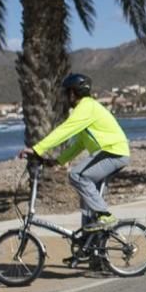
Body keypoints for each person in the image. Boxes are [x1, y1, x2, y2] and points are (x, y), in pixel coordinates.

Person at [19, 73, 130, 230]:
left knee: (76, 175)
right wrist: (59, 160)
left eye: (66, 93)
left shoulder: (86, 107)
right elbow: (79, 144)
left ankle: (106, 216)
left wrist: (38, 149)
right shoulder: (87, 108)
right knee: (87, 202)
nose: (64, 98)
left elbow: (65, 130)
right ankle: (88, 248)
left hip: (113, 152)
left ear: (72, 93)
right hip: (110, 153)